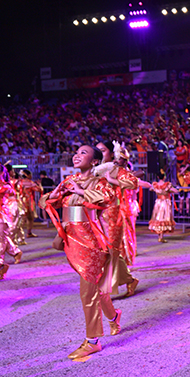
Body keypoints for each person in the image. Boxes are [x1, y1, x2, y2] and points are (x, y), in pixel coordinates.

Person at [39, 145, 122, 359]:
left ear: (94, 161)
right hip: (70, 238)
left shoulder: (99, 182)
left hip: (90, 241)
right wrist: (52, 195)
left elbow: (108, 200)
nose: (77, 154)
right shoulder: (68, 181)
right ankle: (113, 317)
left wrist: (81, 191)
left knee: (87, 290)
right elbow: (45, 203)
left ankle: (92, 340)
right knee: (95, 287)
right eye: (76, 152)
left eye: (83, 152)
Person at [95, 141, 140, 297]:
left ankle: (106, 290)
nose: (99, 153)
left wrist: (113, 180)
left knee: (111, 250)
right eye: (97, 150)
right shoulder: (96, 171)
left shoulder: (116, 170)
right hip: (97, 214)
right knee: (104, 251)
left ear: (112, 153)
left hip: (113, 214)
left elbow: (133, 183)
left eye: (103, 150)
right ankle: (128, 279)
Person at [0, 162, 19, 277]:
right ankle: (2, 263)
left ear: (2, 173)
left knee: (0, 240)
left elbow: (10, 199)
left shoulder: (5, 187)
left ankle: (1, 264)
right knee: (1, 239)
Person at [146, 170, 178, 243]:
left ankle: (160, 236)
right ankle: (161, 236)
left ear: (158, 177)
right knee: (163, 218)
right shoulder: (166, 185)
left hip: (158, 202)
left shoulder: (155, 185)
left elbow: (151, 189)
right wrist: (173, 190)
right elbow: (175, 191)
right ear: (164, 177)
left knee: (158, 218)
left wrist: (156, 190)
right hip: (165, 202)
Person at [17, 170, 42, 239]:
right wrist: (39, 184)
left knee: (21, 219)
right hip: (28, 202)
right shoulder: (30, 183)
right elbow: (39, 189)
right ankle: (28, 233)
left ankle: (18, 234)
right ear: (28, 175)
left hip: (20, 202)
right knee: (29, 218)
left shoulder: (19, 182)